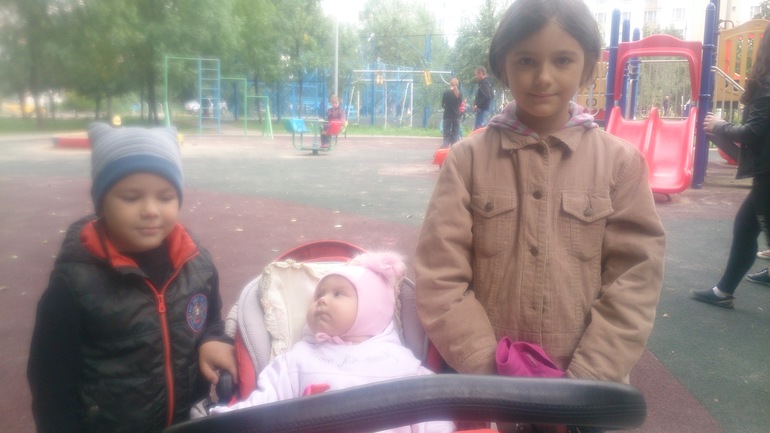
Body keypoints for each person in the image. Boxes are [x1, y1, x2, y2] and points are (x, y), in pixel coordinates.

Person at [414, 0, 666, 394]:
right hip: (485, 389)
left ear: (588, 66)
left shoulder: (621, 164)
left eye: (563, 60)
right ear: (503, 66)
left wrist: (586, 380)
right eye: (526, 60)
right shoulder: (467, 161)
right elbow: (440, 276)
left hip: (585, 391)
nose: (543, 77)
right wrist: (489, 371)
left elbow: (634, 281)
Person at [27, 123, 237, 433]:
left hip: (187, 422)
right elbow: (51, 383)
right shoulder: (75, 283)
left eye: (165, 197)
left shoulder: (197, 265)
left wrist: (212, 340)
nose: (151, 210)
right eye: (131, 197)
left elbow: (211, 321)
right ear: (102, 204)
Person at [210, 251, 456, 433]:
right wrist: (223, 420)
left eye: (338, 293)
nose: (322, 300)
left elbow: (433, 417)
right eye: (319, 294)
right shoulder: (296, 359)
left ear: (371, 308)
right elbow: (263, 405)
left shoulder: (403, 364)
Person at [692, 22, 770, 308]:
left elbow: (752, 132)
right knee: (745, 228)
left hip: (767, 172)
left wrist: (720, 125)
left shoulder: (766, 86)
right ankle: (723, 291)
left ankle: (723, 292)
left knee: (749, 228)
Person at [441, 77, 463, 148]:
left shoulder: (446, 93)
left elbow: (443, 105)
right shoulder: (459, 94)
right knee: (455, 137)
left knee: (446, 137)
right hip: (456, 117)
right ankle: (453, 152)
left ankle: (444, 151)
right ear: (457, 84)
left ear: (450, 84)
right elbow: (459, 104)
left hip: (447, 116)